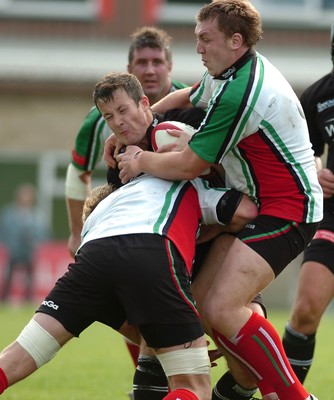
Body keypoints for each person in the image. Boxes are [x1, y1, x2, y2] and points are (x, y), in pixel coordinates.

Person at [115, 1, 323, 399]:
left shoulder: (242, 92)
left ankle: (294, 395)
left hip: (290, 209)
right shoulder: (230, 71)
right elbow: (190, 95)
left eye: (204, 39)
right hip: (257, 203)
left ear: (235, 40)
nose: (197, 48)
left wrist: (141, 159)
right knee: (203, 305)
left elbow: (190, 164)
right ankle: (243, 387)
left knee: (222, 308)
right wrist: (143, 121)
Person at [0, 116, 258, 400]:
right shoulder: (186, 186)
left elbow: (128, 318)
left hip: (92, 255)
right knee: (193, 386)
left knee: (18, 355)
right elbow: (245, 212)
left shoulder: (108, 205)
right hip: (150, 252)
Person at [65, 25, 188, 258]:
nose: (150, 70)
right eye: (142, 63)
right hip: (137, 228)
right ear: (130, 69)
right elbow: (78, 172)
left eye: (157, 62)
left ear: (170, 66)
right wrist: (76, 232)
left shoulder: (192, 103)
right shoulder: (98, 119)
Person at [282, 24, 334, 384]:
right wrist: (315, 172)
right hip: (331, 219)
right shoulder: (319, 95)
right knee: (304, 312)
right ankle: (285, 393)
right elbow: (298, 153)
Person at [0, 183, 51, 303]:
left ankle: (28, 299)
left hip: (29, 250)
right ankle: (4, 299)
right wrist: (8, 245)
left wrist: (37, 243)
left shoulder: (36, 215)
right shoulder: (9, 213)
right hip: (14, 250)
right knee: (9, 275)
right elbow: (4, 231)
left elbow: (44, 233)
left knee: (30, 277)